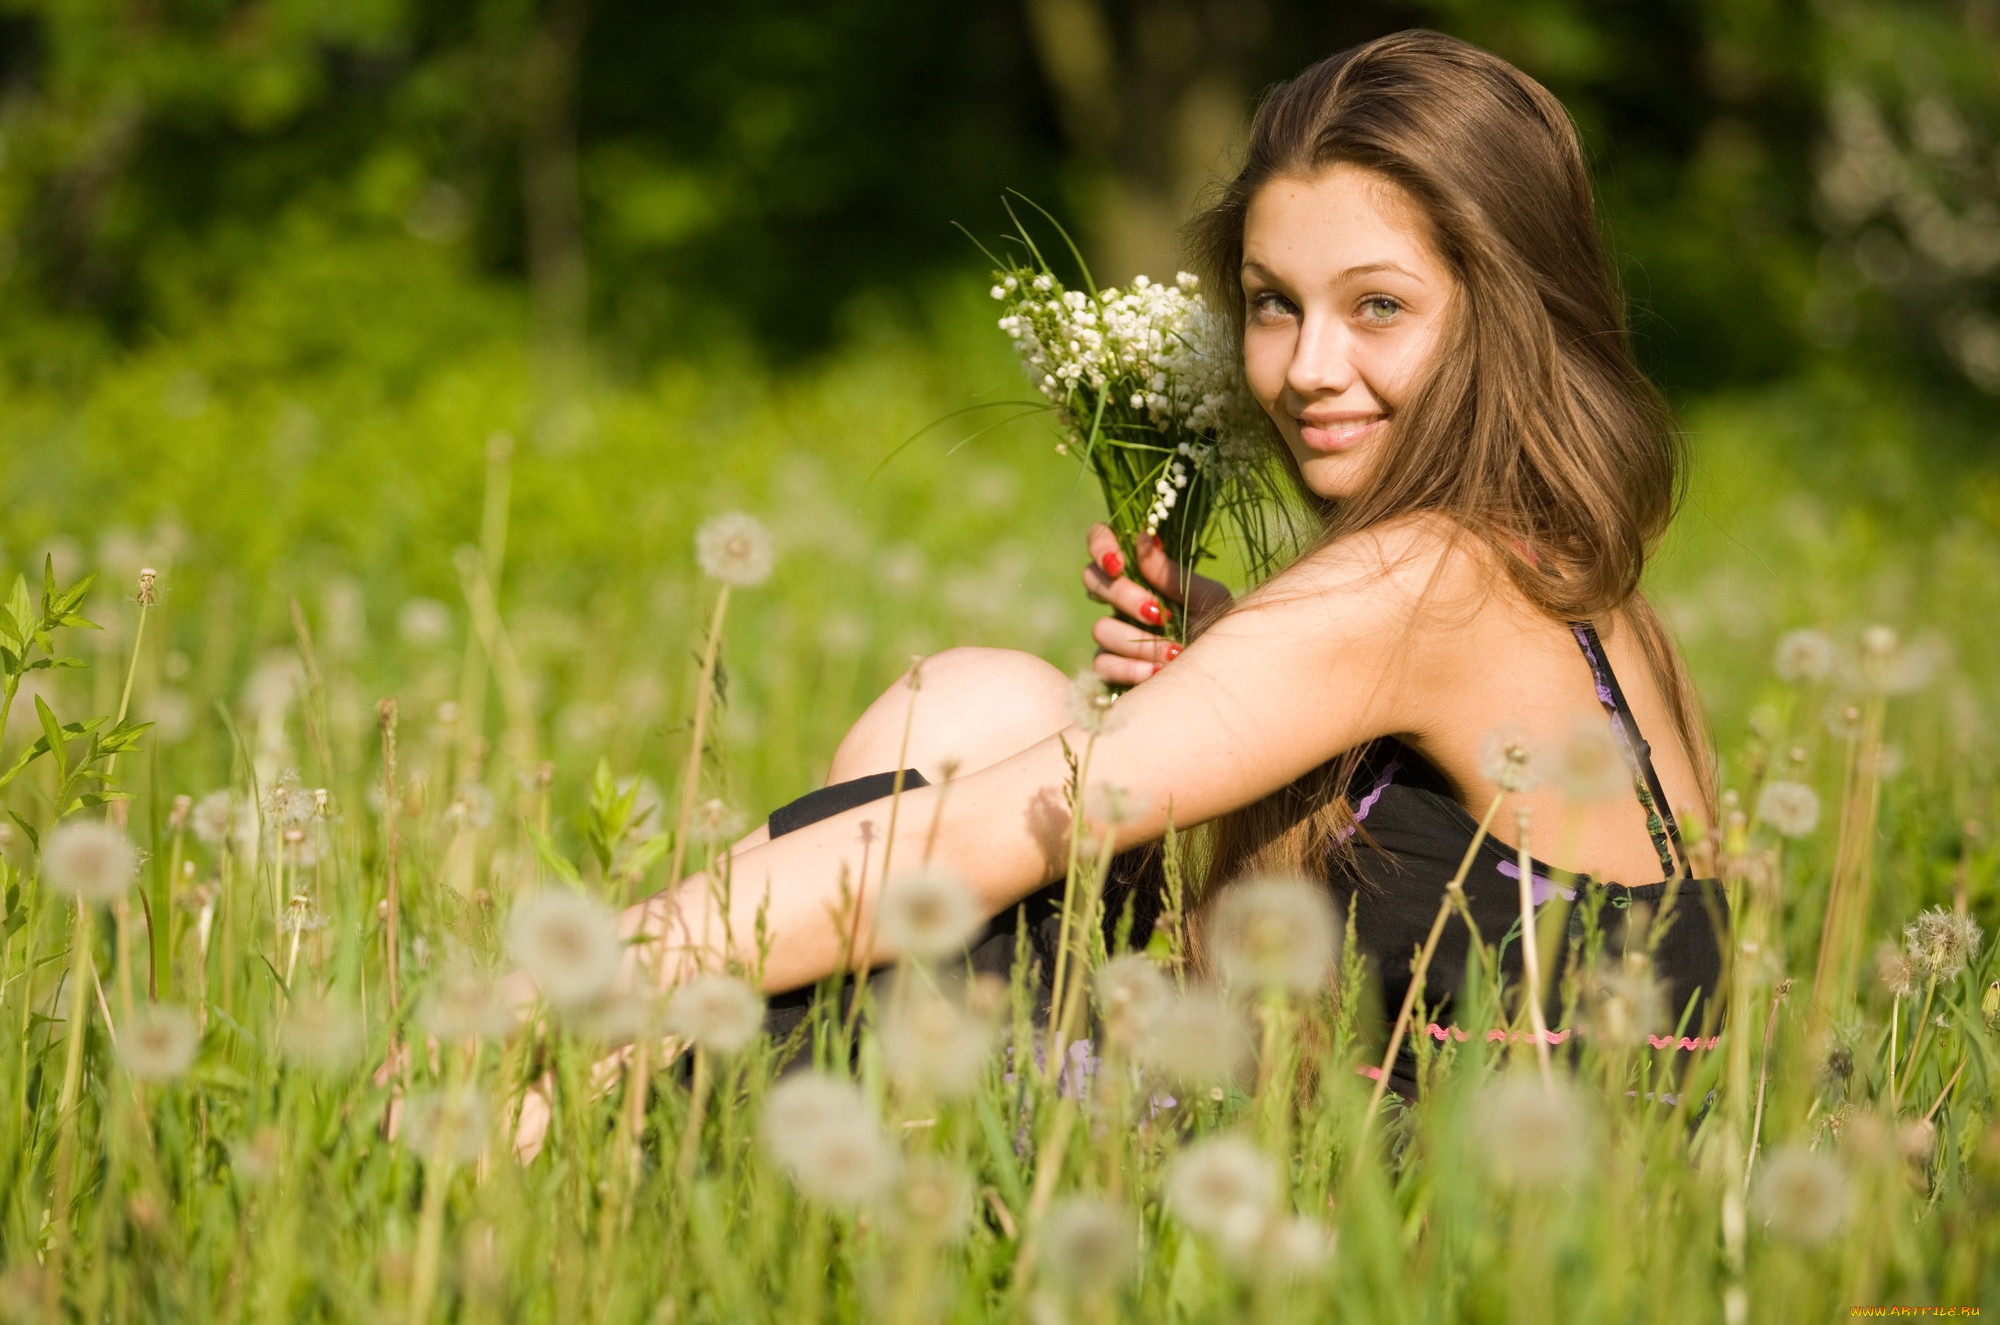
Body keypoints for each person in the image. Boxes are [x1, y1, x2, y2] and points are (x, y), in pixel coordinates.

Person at [602, 29, 1729, 1092]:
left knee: (957, 783)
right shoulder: (1566, 578)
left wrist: (559, 994)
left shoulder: (1425, 582)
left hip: (1455, 1215)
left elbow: (969, 838)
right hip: (1431, 1147)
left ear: (1508, 313)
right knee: (983, 701)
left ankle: (571, 1069)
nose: (1305, 368)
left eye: (1377, 306)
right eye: (1270, 305)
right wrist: (1244, 685)